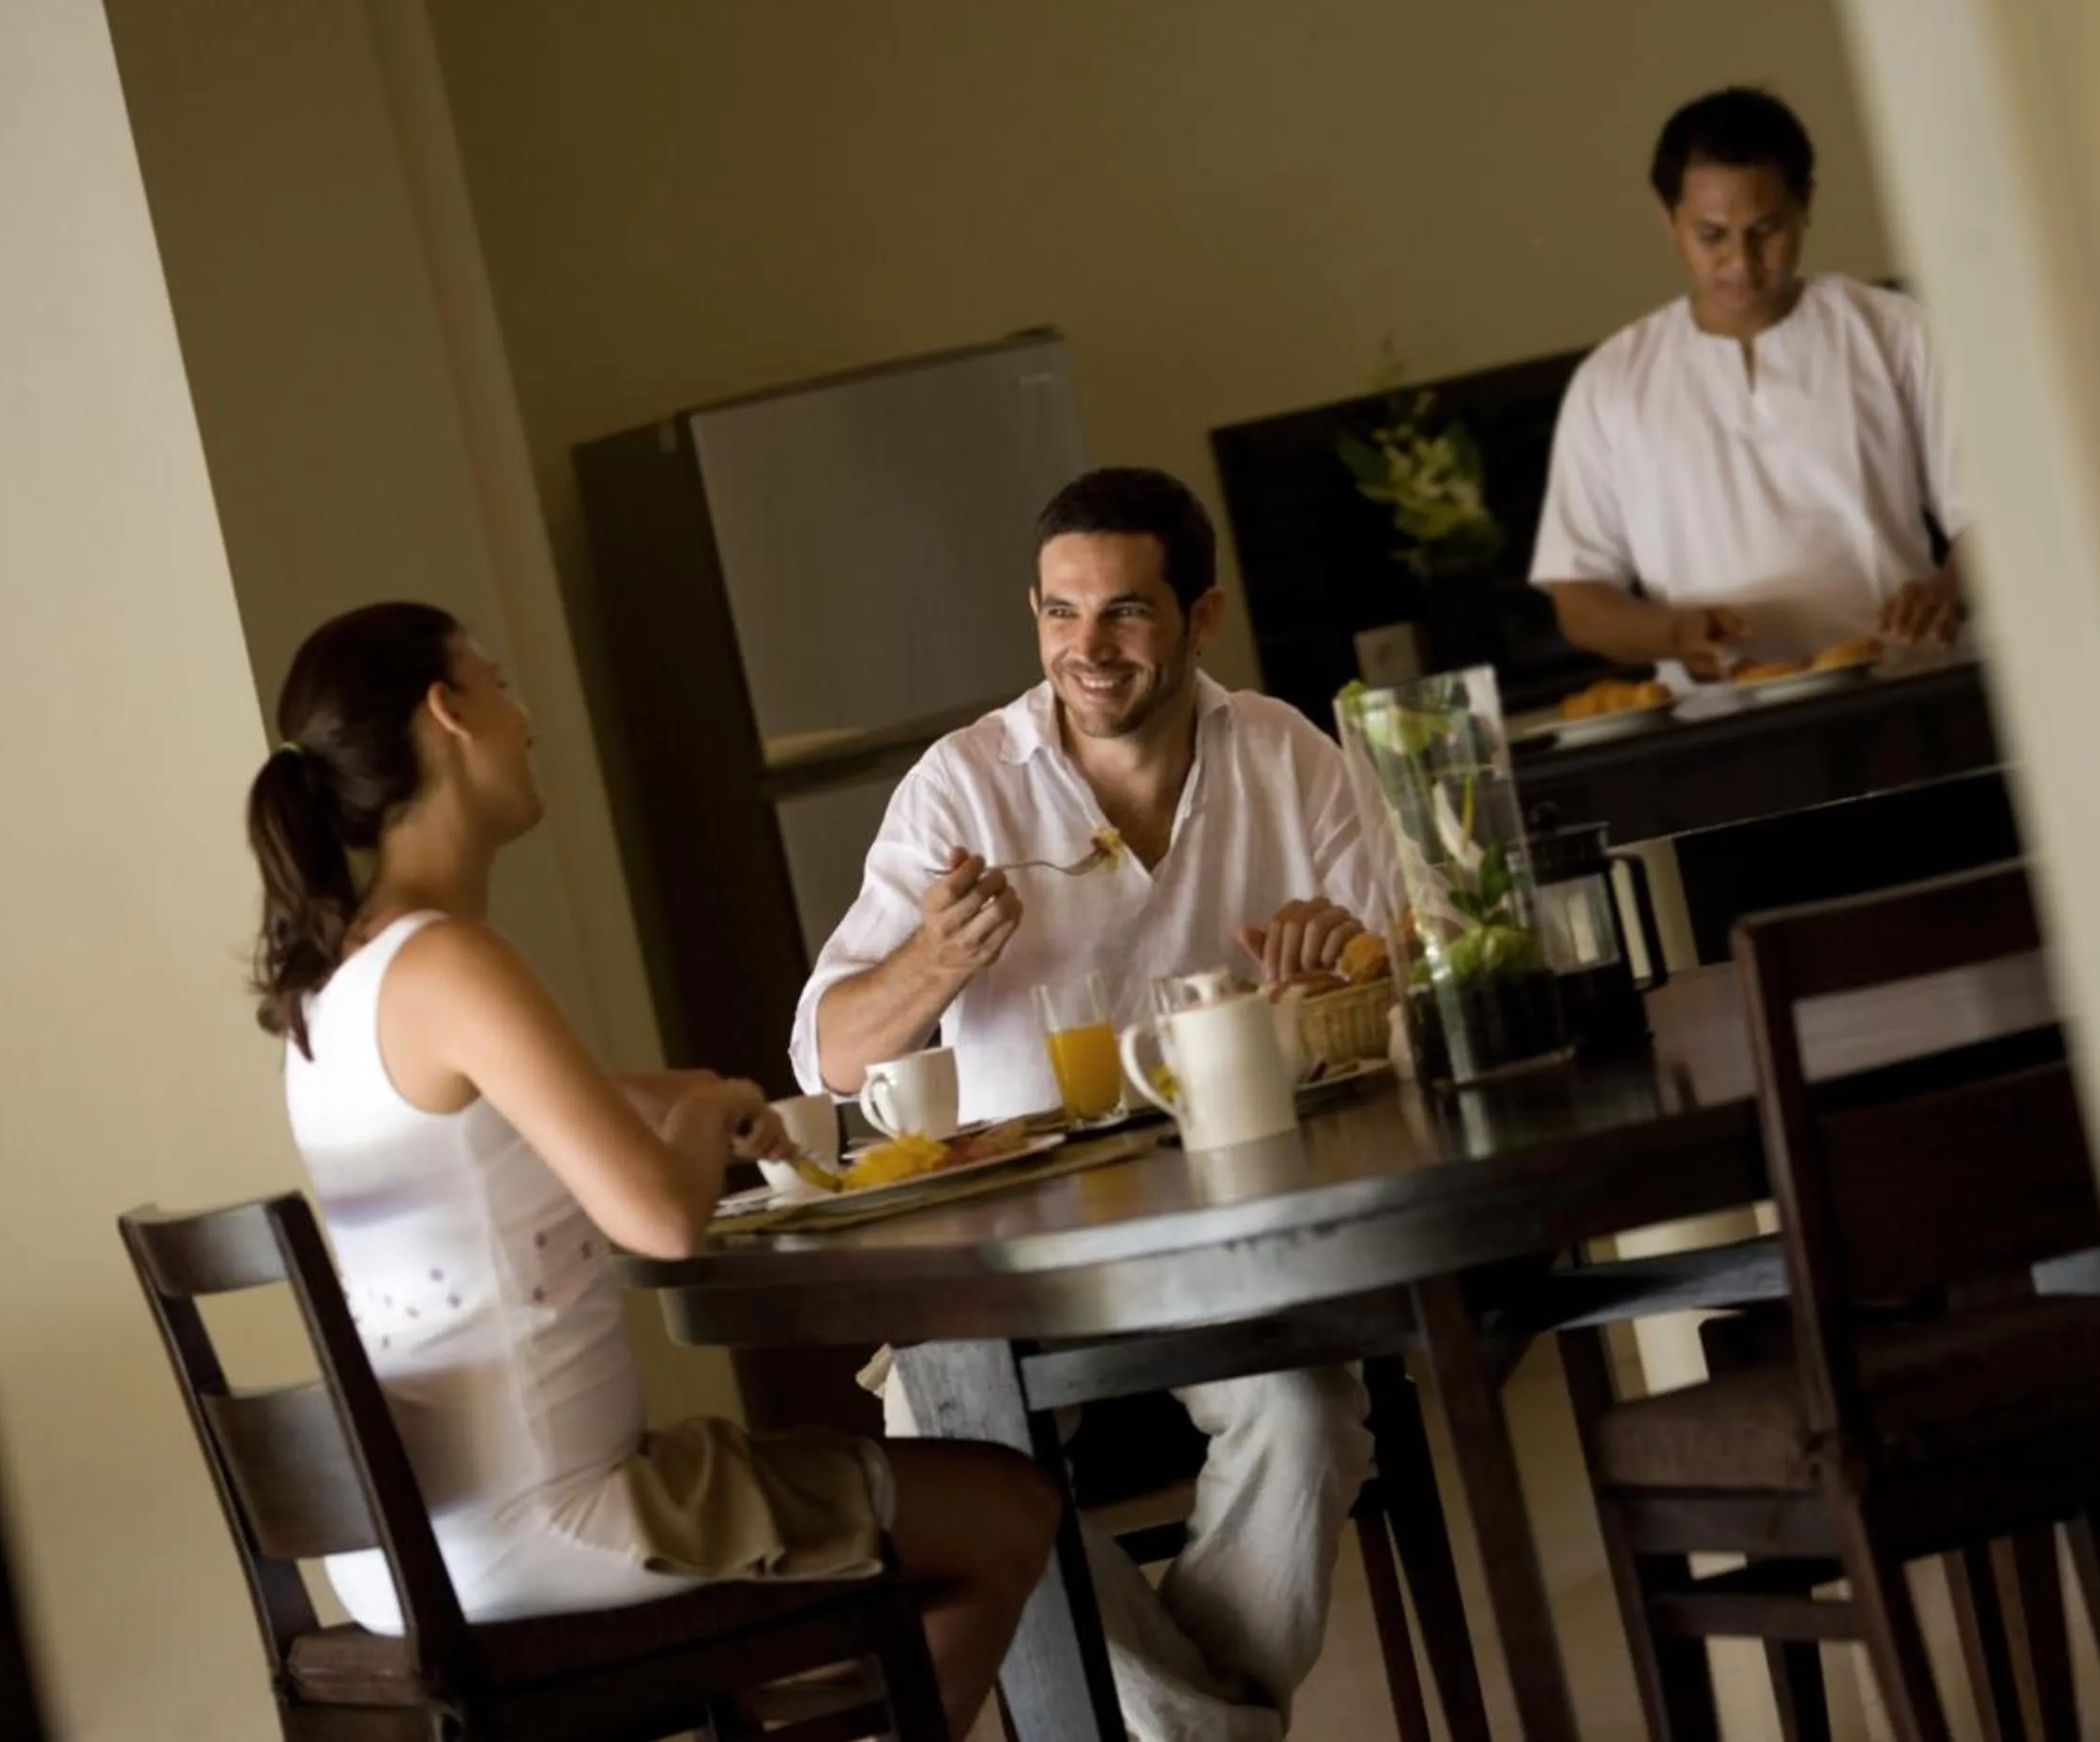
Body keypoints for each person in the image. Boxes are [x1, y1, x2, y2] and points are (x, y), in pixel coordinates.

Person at [247, 600, 1055, 1737]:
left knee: (910, 1525)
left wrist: (693, 1100)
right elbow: (663, 1220)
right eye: (499, 679)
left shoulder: (338, 987)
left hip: (407, 1546)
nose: (524, 717)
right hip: (552, 1522)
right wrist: (688, 1122)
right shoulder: (451, 958)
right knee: (1006, 1507)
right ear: (447, 713)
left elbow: (564, 1104)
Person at [792, 468, 1384, 1739]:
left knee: (1310, 1416)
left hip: (1239, 1225)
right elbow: (825, 1053)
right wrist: (935, 962)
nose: (1088, 650)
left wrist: (1353, 956)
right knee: (945, 1454)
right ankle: (1213, 1731)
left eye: (1124, 614)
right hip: (1015, 1253)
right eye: (1061, 616)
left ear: (1202, 615)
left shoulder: (1285, 754)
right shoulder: (963, 786)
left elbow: (1401, 972)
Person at [1534, 85, 1973, 686]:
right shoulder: (1611, 382)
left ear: (1806, 203)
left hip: (1901, 690)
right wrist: (1672, 634)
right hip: (1716, 727)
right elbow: (1579, 597)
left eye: (1765, 229)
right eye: (1712, 235)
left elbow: (1996, 516)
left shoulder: (1897, 332)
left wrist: (1948, 589)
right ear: (1669, 221)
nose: (1741, 261)